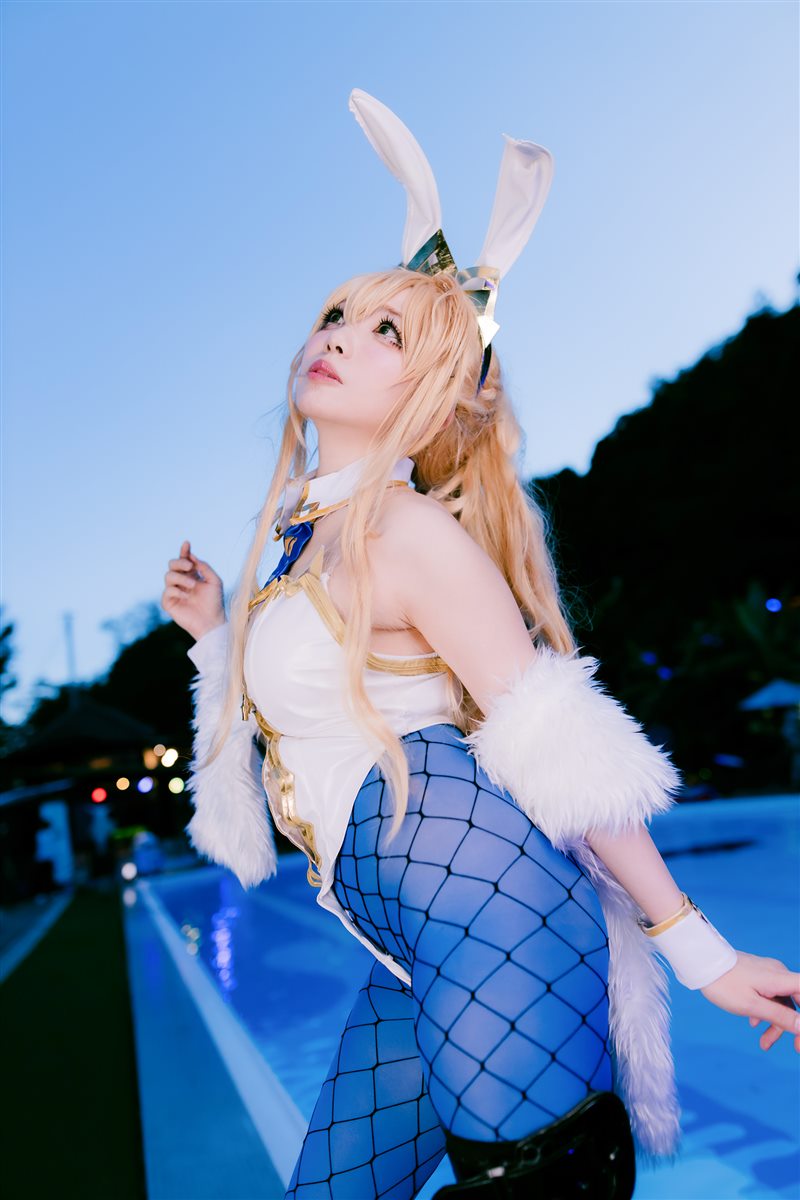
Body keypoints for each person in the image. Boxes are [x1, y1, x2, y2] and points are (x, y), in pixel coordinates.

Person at [161, 91, 799, 1200]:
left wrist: (699, 953)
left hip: (499, 918)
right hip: (412, 950)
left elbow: (557, 747)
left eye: (386, 333)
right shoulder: (304, 546)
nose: (337, 336)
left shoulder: (407, 533)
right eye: (337, 314)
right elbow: (300, 726)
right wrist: (216, 633)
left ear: (430, 393)